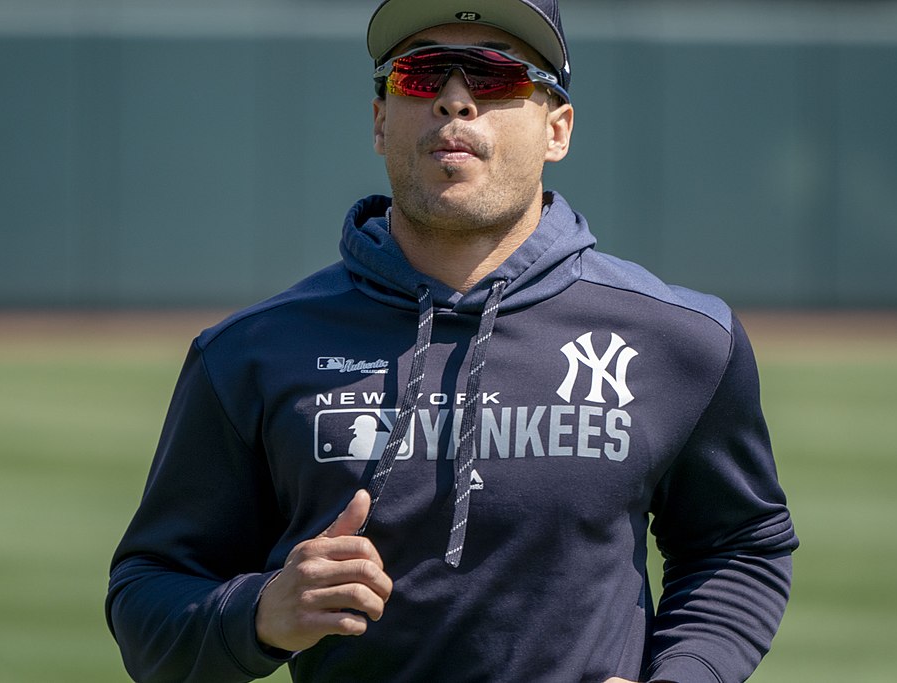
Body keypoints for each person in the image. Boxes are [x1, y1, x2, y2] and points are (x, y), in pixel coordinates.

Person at [106, 1, 799, 681]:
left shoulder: (683, 340)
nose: (454, 99)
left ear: (557, 128)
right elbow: (148, 594)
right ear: (381, 120)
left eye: (495, 74)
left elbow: (739, 547)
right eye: (421, 73)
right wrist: (259, 612)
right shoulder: (249, 354)